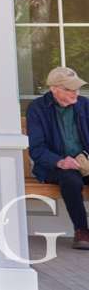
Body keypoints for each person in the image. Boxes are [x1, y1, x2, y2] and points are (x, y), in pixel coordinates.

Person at [26, 66, 89, 250]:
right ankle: (82, 231)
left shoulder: (84, 105)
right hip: (53, 166)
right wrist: (60, 162)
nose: (75, 92)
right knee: (70, 180)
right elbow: (37, 149)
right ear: (54, 89)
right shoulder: (38, 109)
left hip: (85, 162)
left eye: (76, 88)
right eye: (70, 89)